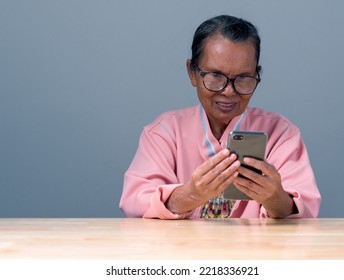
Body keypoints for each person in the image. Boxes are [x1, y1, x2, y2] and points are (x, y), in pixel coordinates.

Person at [119, 15, 321, 219]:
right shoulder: (163, 133)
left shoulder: (281, 134)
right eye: (216, 76)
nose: (228, 91)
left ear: (256, 75)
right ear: (192, 72)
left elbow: (304, 211)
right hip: (180, 250)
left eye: (243, 78)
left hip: (258, 250)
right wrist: (191, 194)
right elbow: (136, 203)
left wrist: (275, 198)